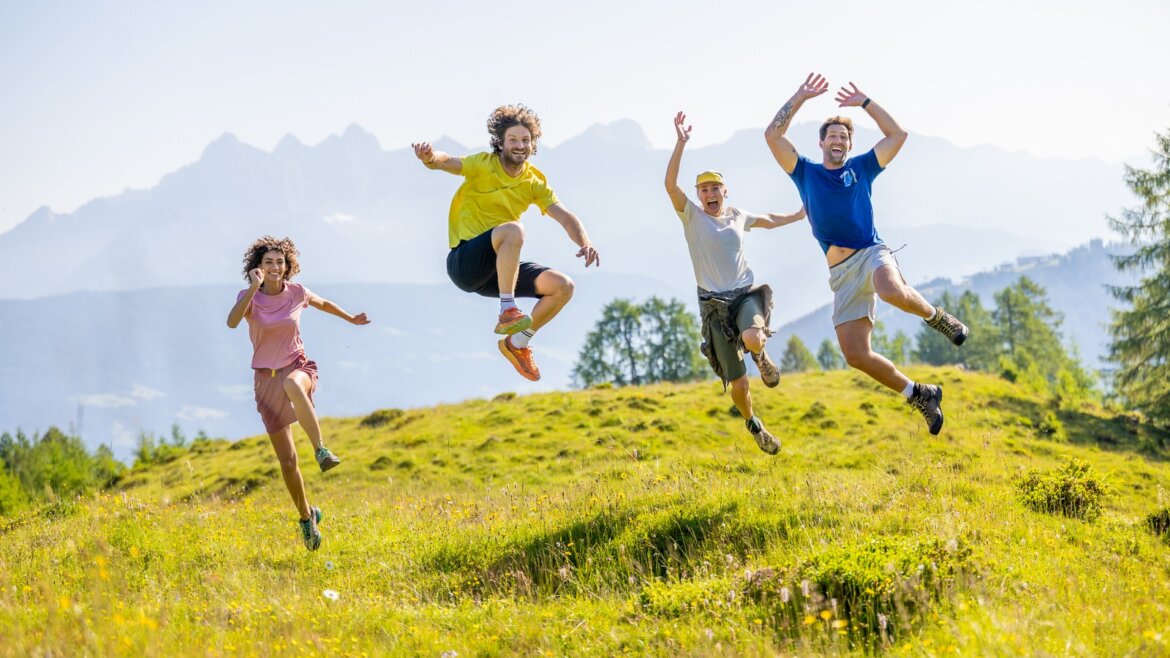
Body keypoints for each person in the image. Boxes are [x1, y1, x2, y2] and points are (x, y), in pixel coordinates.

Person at [763, 73, 969, 435]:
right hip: (841, 274)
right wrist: (799, 97)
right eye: (833, 137)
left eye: (844, 137)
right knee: (856, 355)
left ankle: (937, 317)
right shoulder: (805, 173)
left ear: (849, 144)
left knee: (891, 290)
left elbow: (897, 136)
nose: (839, 141)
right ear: (822, 142)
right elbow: (773, 136)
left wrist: (865, 103)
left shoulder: (861, 168)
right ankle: (920, 394)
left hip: (872, 253)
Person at [412, 104, 600, 382]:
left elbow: (565, 216)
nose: (520, 145)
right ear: (500, 143)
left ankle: (518, 344)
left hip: (498, 272)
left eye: (526, 140)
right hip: (464, 264)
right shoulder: (483, 165)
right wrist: (429, 157)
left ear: (533, 144)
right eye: (513, 139)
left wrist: (585, 241)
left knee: (563, 287)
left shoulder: (534, 182)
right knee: (514, 230)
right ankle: (507, 310)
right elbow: (447, 161)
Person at [667, 112, 806, 454]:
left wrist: (799, 215)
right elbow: (670, 186)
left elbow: (769, 220)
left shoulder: (737, 215)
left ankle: (761, 356)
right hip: (713, 307)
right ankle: (754, 425)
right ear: (699, 195)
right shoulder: (692, 216)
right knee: (740, 385)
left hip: (745, 296)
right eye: (704, 189)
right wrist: (681, 142)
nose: (710, 193)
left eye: (715, 188)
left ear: (725, 192)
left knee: (753, 336)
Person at [226, 236, 370, 551]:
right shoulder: (248, 297)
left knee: (294, 384)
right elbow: (232, 322)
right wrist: (253, 288)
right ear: (257, 267)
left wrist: (351, 319)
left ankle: (321, 449)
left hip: (298, 367)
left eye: (279, 261)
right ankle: (307, 517)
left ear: (288, 265)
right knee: (288, 462)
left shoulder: (297, 293)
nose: (275, 267)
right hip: (266, 381)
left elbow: (324, 304)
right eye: (268, 262)